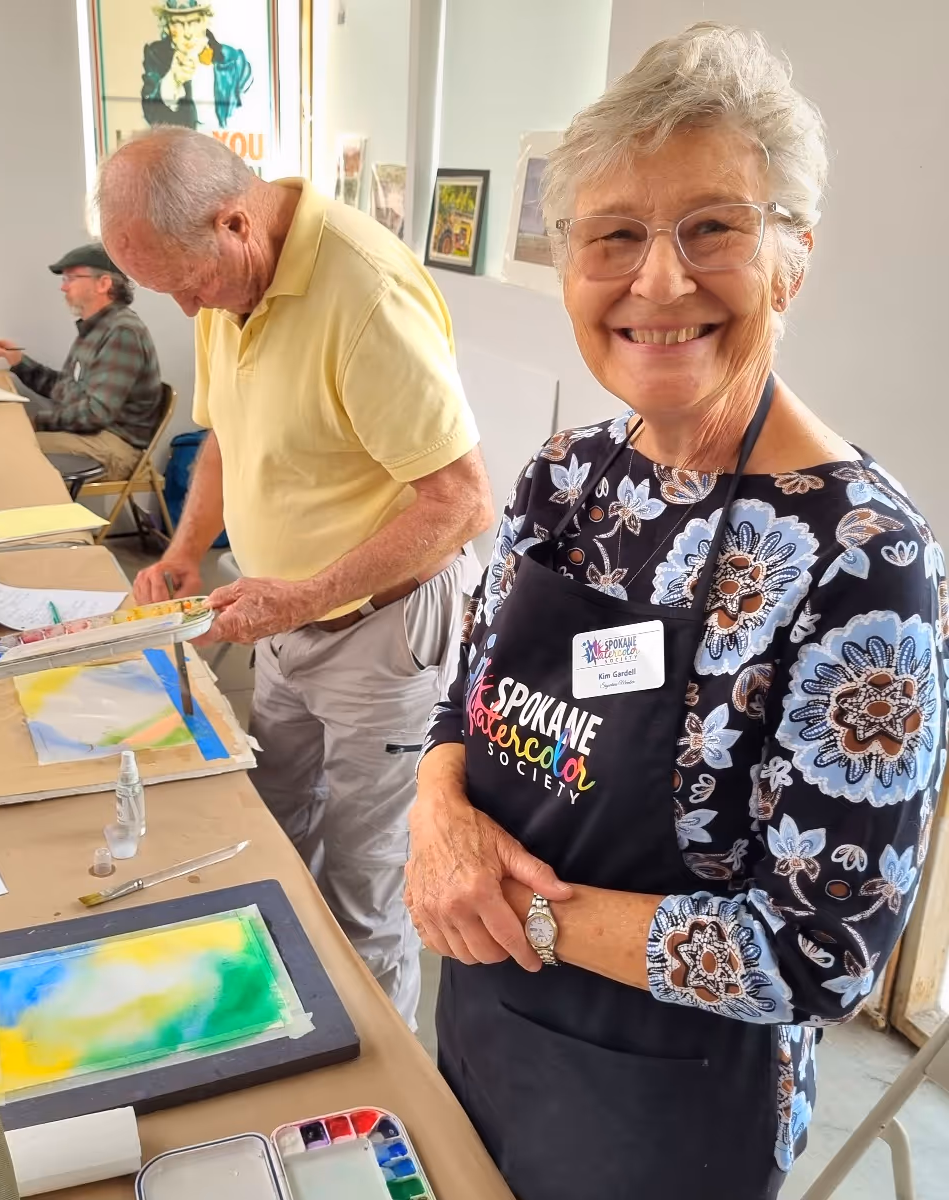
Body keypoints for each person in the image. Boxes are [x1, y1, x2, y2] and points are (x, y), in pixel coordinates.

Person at [405, 23, 947, 1200]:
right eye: (613, 236)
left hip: (669, 1104)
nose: (660, 280)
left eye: (713, 227)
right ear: (568, 266)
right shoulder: (566, 473)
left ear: (793, 259)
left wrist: (510, 912)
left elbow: (822, 954)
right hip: (484, 1022)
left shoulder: (862, 557)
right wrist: (436, 807)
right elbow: (469, 698)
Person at [98, 126, 493, 1027]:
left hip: (382, 633)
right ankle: (279, 1023)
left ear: (235, 223)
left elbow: (464, 502)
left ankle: (368, 1084)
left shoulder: (365, 292)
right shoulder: (225, 285)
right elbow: (227, 444)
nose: (189, 311)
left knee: (364, 889)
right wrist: (182, 554)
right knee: (267, 830)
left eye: (188, 285)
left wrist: (309, 594)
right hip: (280, 620)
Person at [0, 245, 164, 481]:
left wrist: (35, 422)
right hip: (94, 435)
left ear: (103, 284)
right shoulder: (95, 328)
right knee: (7, 443)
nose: (63, 286)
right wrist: (19, 362)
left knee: (10, 448)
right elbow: (67, 389)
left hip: (115, 445)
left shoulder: (122, 332)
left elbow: (95, 413)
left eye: (71, 278)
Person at [141, 0, 252, 132]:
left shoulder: (233, 59)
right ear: (167, 27)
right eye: (178, 23)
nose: (187, 33)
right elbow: (151, 115)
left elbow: (250, 112)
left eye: (193, 22)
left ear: (205, 21)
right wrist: (172, 80)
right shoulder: (156, 55)